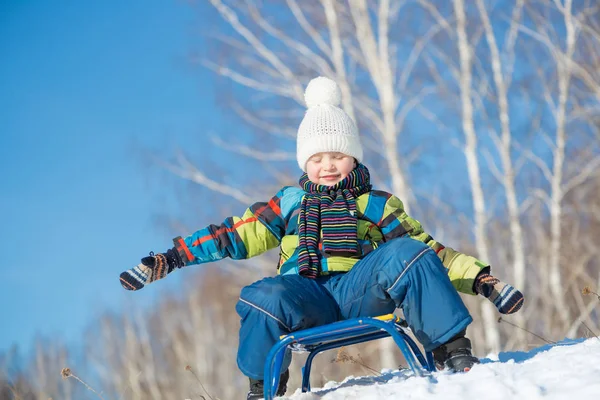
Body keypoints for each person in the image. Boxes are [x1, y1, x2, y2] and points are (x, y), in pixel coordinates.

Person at [120, 77, 524, 399]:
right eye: (317, 158)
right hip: (306, 298)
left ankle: (452, 352)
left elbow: (430, 253)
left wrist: (483, 281)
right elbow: (231, 235)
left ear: (353, 158)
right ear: (305, 162)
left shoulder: (375, 204)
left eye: (336, 156)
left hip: (360, 289)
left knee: (407, 251)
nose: (327, 166)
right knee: (262, 294)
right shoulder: (289, 204)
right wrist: (171, 258)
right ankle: (263, 388)